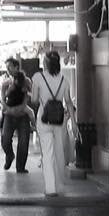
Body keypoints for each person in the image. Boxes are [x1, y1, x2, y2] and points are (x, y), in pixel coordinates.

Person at [31, 51, 76, 198]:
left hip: (44, 119)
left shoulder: (38, 77)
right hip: (59, 119)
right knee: (59, 152)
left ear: (45, 63)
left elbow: (34, 100)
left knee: (47, 153)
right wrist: (74, 123)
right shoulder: (64, 80)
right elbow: (68, 102)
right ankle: (60, 184)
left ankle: (51, 189)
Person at [0, 57, 32, 173]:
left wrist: (22, 107)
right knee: (5, 139)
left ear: (16, 67)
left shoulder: (26, 81)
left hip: (23, 115)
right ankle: (9, 155)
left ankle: (21, 167)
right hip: (9, 114)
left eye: (10, 67)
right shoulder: (6, 83)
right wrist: (7, 108)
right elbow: (2, 99)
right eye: (6, 67)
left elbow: (28, 97)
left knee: (24, 141)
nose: (8, 69)